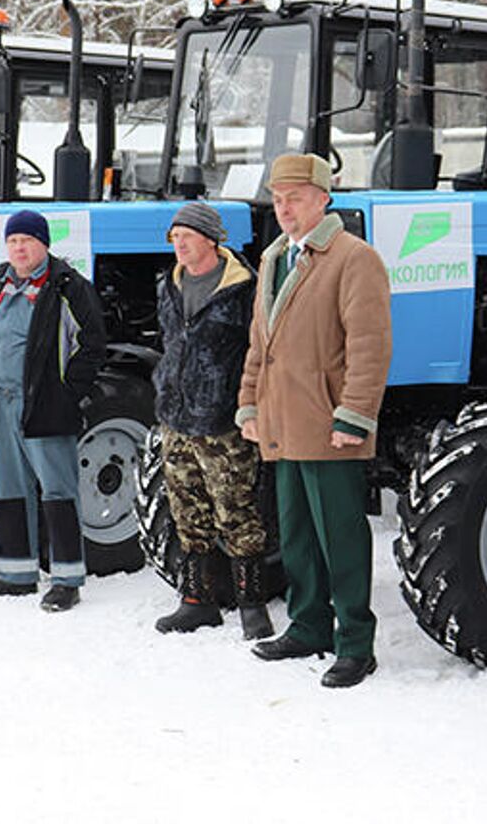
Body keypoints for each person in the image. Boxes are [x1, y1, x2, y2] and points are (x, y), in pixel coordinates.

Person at [236, 153, 391, 689]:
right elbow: (261, 343)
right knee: (299, 536)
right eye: (278, 200)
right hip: (283, 424)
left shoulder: (353, 258)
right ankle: (308, 626)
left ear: (324, 198)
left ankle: (354, 643)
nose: (285, 209)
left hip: (330, 424)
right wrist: (250, 405)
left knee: (341, 539)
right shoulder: (276, 256)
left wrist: (354, 415)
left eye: (295, 198)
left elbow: (370, 347)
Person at [0, 209, 108, 612]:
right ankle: (16, 573)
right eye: (12, 241)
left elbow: (92, 344)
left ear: (44, 244)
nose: (19, 248)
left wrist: (65, 394)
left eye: (27, 240)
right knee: (8, 489)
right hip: (0, 401)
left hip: (43, 404)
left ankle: (66, 578)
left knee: (58, 490)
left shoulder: (66, 286)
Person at [151, 201, 277, 639]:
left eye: (186, 236)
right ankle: (196, 601)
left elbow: (259, 351)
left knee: (237, 513)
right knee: (187, 512)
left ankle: (253, 605)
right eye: (174, 237)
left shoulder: (244, 289)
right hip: (176, 417)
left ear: (210, 239)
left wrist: (250, 406)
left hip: (222, 419)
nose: (179, 245)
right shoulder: (167, 285)